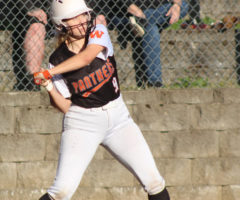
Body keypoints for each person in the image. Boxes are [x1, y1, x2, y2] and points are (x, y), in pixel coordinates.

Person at [34, 0, 170, 200]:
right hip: (82, 122)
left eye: (83, 15)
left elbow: (86, 58)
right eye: (74, 17)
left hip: (119, 118)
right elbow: (65, 106)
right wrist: (48, 85)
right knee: (61, 191)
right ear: (60, 24)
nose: (82, 21)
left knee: (154, 183)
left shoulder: (97, 32)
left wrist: (48, 72)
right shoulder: (57, 59)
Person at [0, 0, 52, 91]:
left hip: (48, 13)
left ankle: (29, 82)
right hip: (4, 7)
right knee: (35, 27)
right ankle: (32, 82)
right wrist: (31, 8)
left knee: (35, 24)